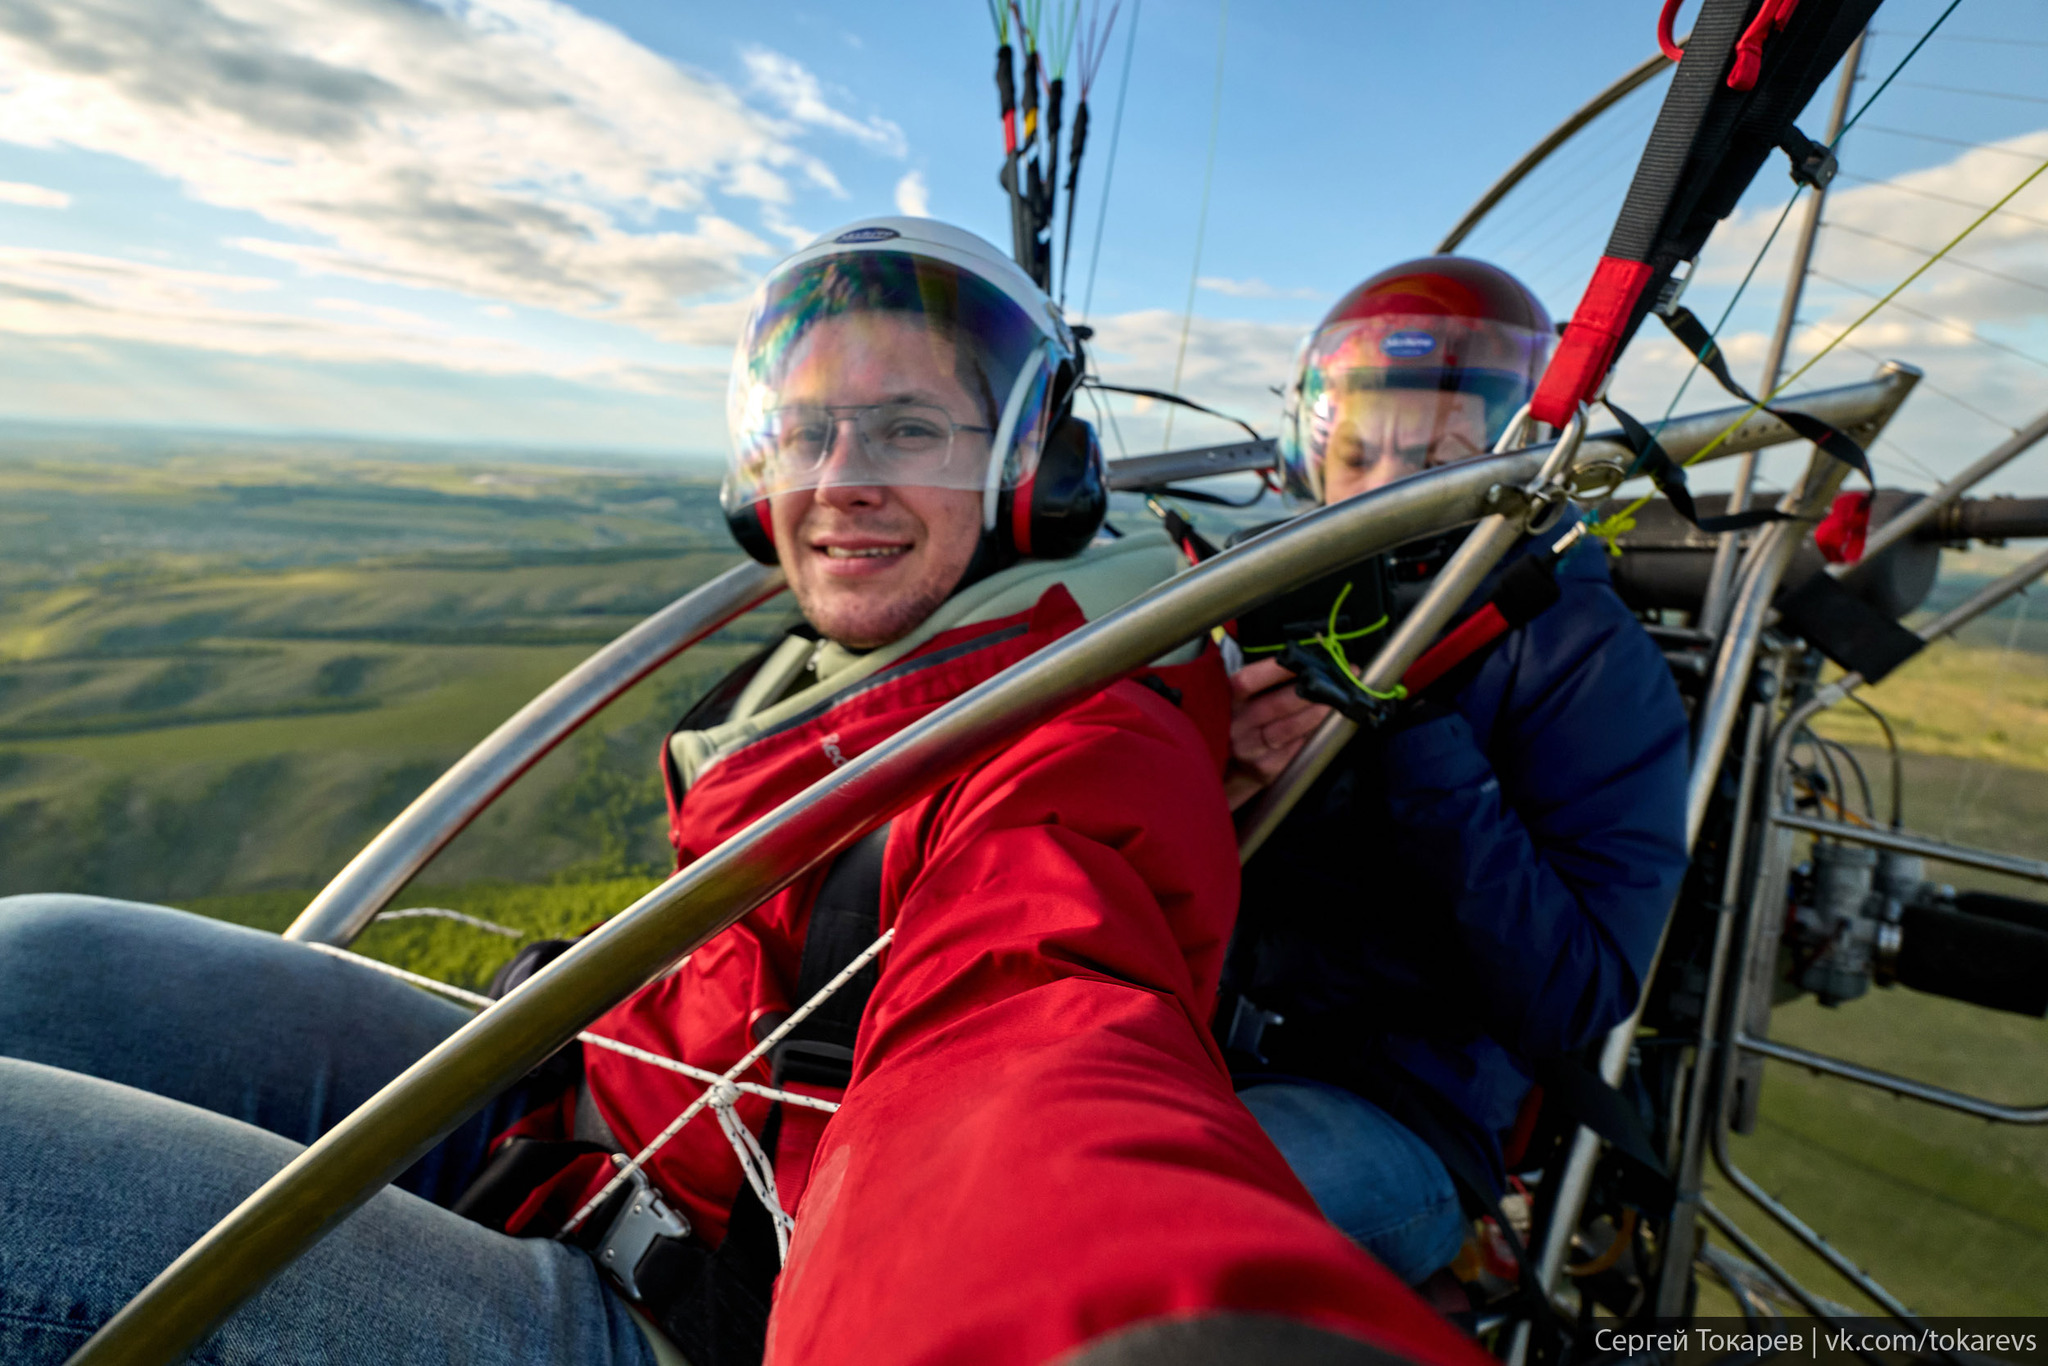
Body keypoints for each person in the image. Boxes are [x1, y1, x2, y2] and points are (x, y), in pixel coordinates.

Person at [0, 221, 1484, 1366]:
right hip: (590, 1110)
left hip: (682, 1306)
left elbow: (1022, 1041)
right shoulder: (879, 671)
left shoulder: (1069, 730)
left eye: (909, 428)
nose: (838, 476)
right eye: (809, 427)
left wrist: (1107, 1327)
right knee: (41, 958)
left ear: (1031, 468)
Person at [1221, 257, 1692, 1289]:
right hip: (1195, 1042)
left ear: (1515, 446)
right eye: (1359, 443)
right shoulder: (1262, 598)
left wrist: (1408, 736)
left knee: (1131, 1223)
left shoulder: (1578, 654)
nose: (1390, 477)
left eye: (1438, 444)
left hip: (1399, 1107)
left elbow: (1575, 992)